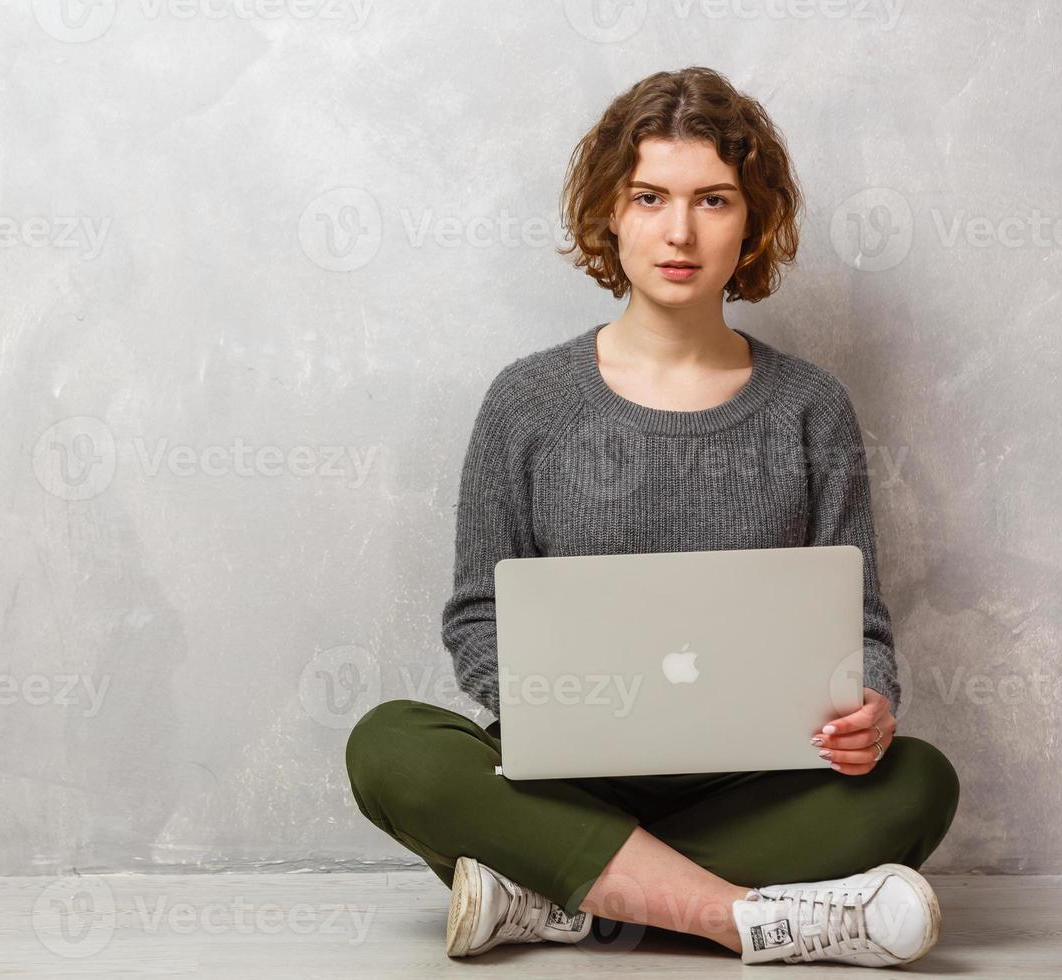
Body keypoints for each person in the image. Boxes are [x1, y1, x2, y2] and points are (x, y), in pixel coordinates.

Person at [344, 66, 960, 967]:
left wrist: (869, 702)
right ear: (611, 213)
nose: (680, 232)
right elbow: (477, 616)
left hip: (759, 781)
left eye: (713, 199)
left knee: (919, 783)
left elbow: (859, 626)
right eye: (649, 197)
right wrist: (567, 708)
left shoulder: (809, 407)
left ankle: (555, 898)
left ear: (752, 219)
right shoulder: (528, 400)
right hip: (563, 781)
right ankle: (743, 916)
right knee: (391, 745)